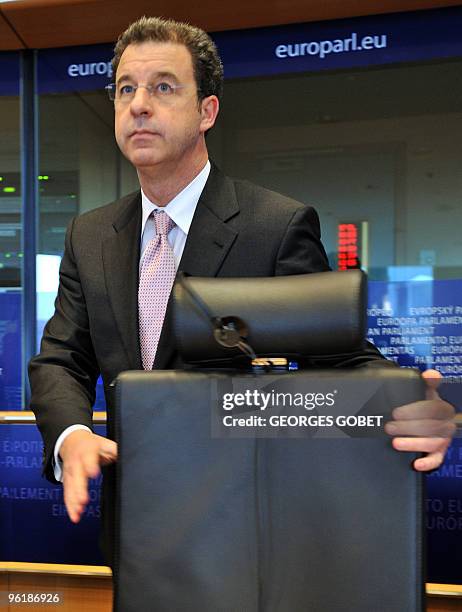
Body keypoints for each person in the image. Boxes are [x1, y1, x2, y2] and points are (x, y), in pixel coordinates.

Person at [29, 16, 455, 564]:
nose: (139, 104)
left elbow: (344, 360)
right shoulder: (89, 234)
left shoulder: (274, 225)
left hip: (246, 527)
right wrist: (71, 435)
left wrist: (407, 404)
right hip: (133, 524)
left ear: (206, 111)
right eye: (126, 89)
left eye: (163, 87)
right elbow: (60, 359)